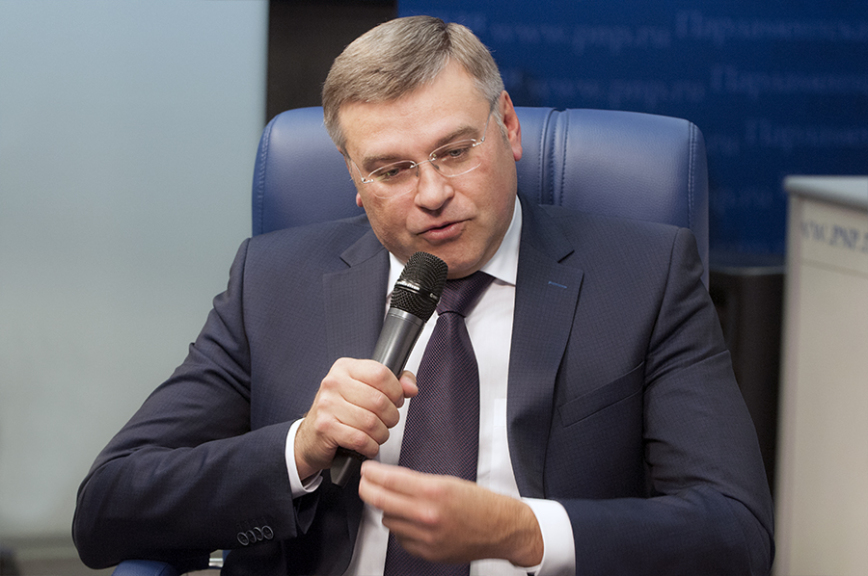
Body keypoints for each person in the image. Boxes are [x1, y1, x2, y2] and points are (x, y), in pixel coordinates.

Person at [73, 15, 774, 576]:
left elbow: (735, 530)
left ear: (508, 128)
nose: (433, 193)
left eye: (455, 151)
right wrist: (298, 450)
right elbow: (106, 508)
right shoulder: (272, 282)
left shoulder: (645, 276)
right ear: (354, 180)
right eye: (391, 170)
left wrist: (524, 531)